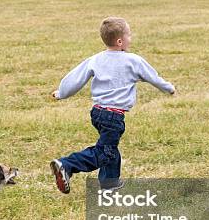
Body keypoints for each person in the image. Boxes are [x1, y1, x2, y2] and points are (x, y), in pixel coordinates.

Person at [50, 16, 176, 193]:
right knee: (104, 152)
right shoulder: (133, 60)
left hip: (98, 112)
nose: (130, 38)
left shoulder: (96, 59)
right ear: (119, 41)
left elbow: (75, 78)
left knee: (110, 147)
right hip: (114, 116)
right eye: (129, 35)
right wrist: (169, 88)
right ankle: (67, 165)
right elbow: (153, 77)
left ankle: (109, 184)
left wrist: (61, 93)